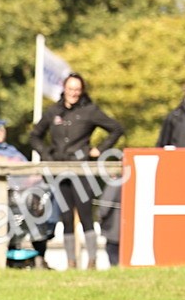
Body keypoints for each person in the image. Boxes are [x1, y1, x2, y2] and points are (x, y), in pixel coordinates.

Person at [30, 73, 124, 269]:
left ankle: (91, 261)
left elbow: (116, 128)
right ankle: (71, 262)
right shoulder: (53, 112)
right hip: (59, 169)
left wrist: (100, 149)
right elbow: (35, 136)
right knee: (65, 216)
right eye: (70, 89)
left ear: (81, 91)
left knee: (85, 215)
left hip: (82, 170)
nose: (73, 93)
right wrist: (47, 155)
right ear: (64, 89)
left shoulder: (90, 111)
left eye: (77, 89)